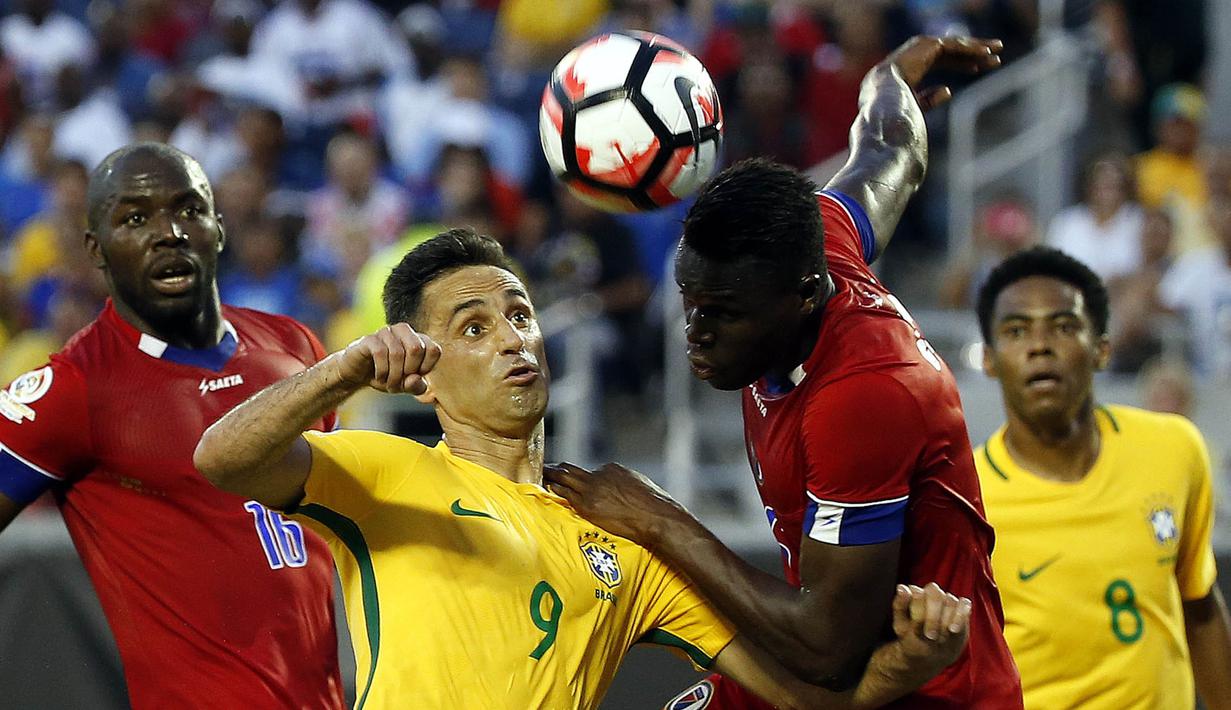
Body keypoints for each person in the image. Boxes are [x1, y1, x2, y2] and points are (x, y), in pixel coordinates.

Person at [196, 228, 976, 709]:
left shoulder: (620, 537)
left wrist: (912, 661)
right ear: (424, 376)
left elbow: (809, 700)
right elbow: (220, 458)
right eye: (474, 327)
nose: (512, 338)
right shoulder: (382, 472)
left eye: (519, 315)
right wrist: (341, 370)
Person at [543, 36, 1024, 708]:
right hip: (823, 659)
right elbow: (889, 151)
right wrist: (886, 77)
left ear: (801, 296)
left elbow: (827, 650)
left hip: (923, 691)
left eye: (723, 313)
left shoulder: (863, 395)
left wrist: (660, 519)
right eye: (690, 303)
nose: (695, 331)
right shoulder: (814, 242)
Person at [0, 143, 344, 708]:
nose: (169, 233)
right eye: (136, 219)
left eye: (188, 209)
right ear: (96, 248)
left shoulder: (293, 346)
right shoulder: (76, 386)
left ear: (219, 226)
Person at [972, 246, 1231, 708]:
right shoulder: (965, 497)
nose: (1040, 345)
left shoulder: (1174, 449)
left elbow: (1200, 605)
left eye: (1063, 326)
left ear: (1102, 349)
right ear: (989, 359)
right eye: (1016, 330)